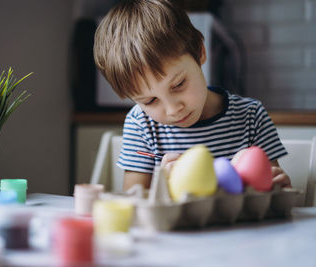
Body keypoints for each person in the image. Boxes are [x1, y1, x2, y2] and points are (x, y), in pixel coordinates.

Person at [93, 0, 291, 191]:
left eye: (179, 84)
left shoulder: (251, 117)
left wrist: (276, 186)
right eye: (150, 101)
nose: (173, 109)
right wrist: (163, 185)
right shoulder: (141, 125)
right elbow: (134, 203)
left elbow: (269, 189)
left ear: (200, 52)